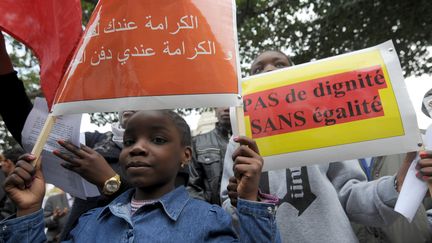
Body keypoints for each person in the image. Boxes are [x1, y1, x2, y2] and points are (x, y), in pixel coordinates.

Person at [0, 31, 189, 240]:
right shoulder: (96, 144)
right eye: (125, 93)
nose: (130, 101)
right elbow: (30, 131)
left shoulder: (173, 149)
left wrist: (110, 181)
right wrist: (4, 70)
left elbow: (169, 205)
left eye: (140, 94)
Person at [221, 50, 425, 242]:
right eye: (258, 69)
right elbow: (229, 214)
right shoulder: (239, 141)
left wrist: (396, 185)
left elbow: (350, 195)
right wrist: (244, 202)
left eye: (279, 64)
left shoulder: (322, 124)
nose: (268, 70)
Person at [0, 110, 280, 242]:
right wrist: (28, 211)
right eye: (130, 141)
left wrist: (250, 202)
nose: (138, 149)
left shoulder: (209, 220)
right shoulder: (89, 224)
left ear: (185, 156)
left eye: (157, 140)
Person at [187, 107, 231, 204]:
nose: (227, 108)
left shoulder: (251, 140)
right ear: (215, 111)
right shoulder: (197, 142)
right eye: (221, 104)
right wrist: (209, 213)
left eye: (230, 104)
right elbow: (192, 186)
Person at [0, 146, 24, 220]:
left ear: (8, 162)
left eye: (2, 161)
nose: (1, 164)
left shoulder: (15, 184)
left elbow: (7, 214)